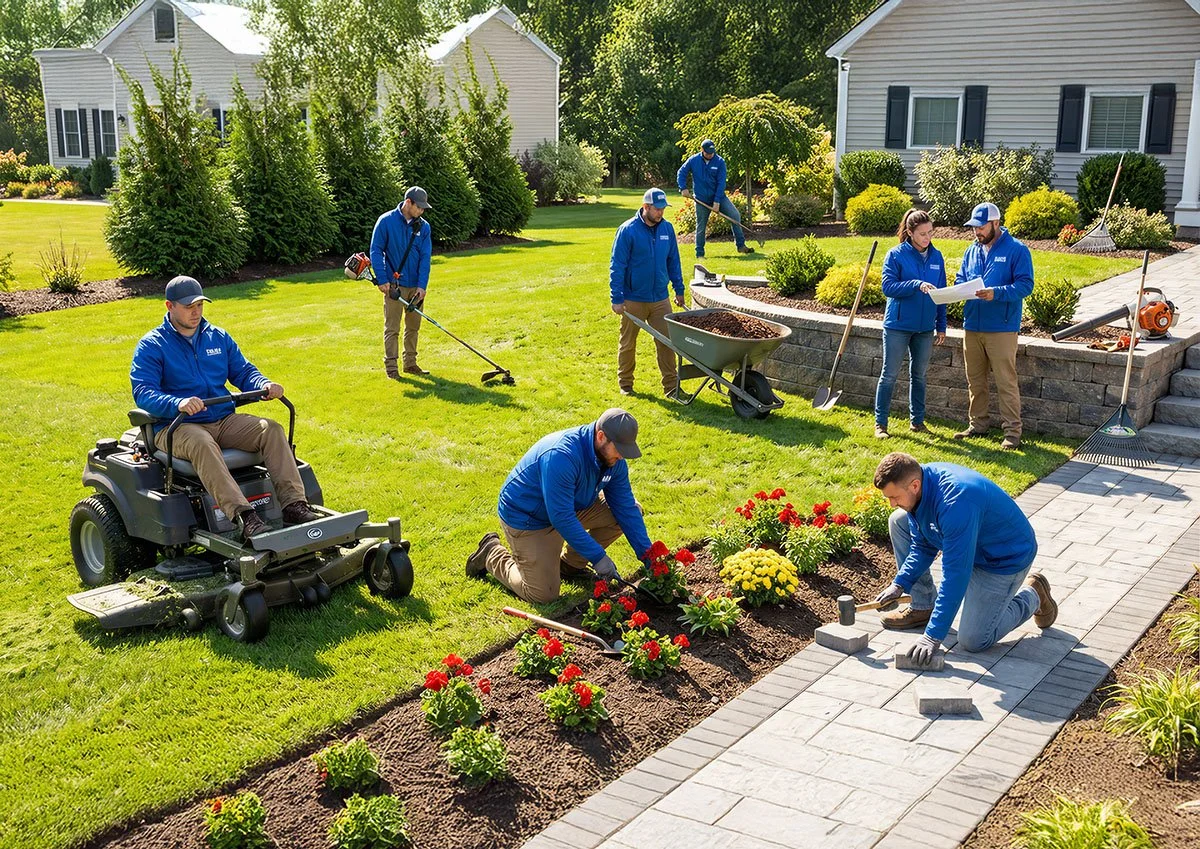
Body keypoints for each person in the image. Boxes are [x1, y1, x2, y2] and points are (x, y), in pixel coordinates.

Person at [130, 276, 320, 541]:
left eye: (199, 304)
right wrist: (178, 403)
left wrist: (263, 384)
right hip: (178, 426)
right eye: (188, 306)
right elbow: (143, 392)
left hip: (222, 418)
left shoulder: (217, 337)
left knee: (271, 430)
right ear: (169, 306)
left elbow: (242, 371)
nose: (196, 311)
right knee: (203, 444)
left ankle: (293, 506)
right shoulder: (152, 345)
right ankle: (244, 516)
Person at [871, 452, 1057, 665]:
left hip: (1003, 558)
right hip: (973, 544)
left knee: (974, 640)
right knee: (898, 520)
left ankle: (1034, 594)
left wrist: (932, 636)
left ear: (914, 485)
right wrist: (900, 583)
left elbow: (956, 576)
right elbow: (922, 546)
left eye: (894, 497)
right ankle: (923, 607)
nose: (892, 503)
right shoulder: (920, 485)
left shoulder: (955, 503)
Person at [465, 409, 656, 604]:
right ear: (601, 436)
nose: (622, 457)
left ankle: (570, 566)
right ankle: (492, 553)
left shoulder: (613, 460)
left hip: (570, 505)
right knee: (543, 594)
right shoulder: (561, 456)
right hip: (529, 517)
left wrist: (649, 556)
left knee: (631, 511)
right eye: (620, 449)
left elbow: (625, 507)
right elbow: (561, 517)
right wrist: (598, 557)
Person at [952, 201, 1034, 450]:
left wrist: (995, 293)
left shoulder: (1017, 250)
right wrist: (957, 289)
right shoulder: (971, 251)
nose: (976, 231)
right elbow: (961, 278)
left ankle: (1012, 433)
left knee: (1005, 382)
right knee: (975, 380)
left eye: (981, 226)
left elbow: (1025, 285)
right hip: (972, 325)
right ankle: (978, 425)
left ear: (996, 224)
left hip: (1001, 327)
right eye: (974, 227)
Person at [874, 209, 948, 439]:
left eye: (930, 232)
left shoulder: (936, 257)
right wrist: (916, 284)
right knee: (889, 375)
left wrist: (941, 325)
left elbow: (942, 293)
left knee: (920, 375)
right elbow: (888, 288)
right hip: (898, 325)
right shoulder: (895, 255)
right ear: (910, 232)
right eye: (922, 234)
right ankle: (881, 424)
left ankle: (917, 422)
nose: (927, 238)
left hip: (925, 327)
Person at [609, 188, 685, 398]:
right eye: (657, 208)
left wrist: (679, 289)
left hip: (660, 298)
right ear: (645, 207)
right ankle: (626, 384)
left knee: (667, 343)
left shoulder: (667, 229)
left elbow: (673, 261)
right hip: (633, 298)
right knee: (628, 343)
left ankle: (671, 387)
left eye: (663, 208)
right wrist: (616, 298)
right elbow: (617, 265)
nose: (660, 212)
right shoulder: (628, 230)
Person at [371, 186, 433, 378]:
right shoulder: (386, 221)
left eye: (423, 209)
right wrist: (382, 280)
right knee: (392, 328)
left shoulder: (424, 227)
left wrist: (422, 286)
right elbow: (376, 250)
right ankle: (391, 369)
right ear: (408, 203)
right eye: (419, 207)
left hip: (415, 287)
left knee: (413, 327)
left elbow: (425, 257)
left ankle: (410, 363)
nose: (421, 211)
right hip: (394, 286)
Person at [677, 139, 753, 258]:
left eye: (712, 152)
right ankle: (700, 254)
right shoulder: (693, 160)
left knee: (735, 216)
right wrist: (683, 188)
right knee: (701, 226)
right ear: (702, 150)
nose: (710, 155)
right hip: (701, 200)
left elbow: (721, 183)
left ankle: (741, 246)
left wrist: (717, 201)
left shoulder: (719, 162)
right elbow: (681, 172)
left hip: (719, 197)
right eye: (708, 153)